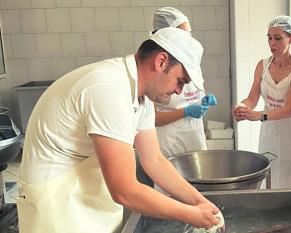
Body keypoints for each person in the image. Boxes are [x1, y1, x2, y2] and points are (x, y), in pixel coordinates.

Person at [17, 28, 222, 232]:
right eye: (180, 80)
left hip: (82, 186)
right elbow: (124, 190)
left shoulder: (142, 99)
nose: (179, 90)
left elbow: (154, 161)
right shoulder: (108, 89)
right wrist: (190, 214)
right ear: (161, 61)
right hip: (53, 193)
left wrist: (200, 202)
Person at [233, 15, 291, 189]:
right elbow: (253, 97)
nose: (272, 43)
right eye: (269, 38)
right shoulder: (263, 65)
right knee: (270, 172)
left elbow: (288, 109)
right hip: (270, 130)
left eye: (277, 38)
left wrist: (256, 115)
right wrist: (242, 107)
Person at [152, 8, 217, 158]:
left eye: (190, 34)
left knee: (200, 177)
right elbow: (152, 118)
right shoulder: (157, 67)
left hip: (195, 135)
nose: (189, 40)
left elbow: (193, 93)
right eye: (183, 35)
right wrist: (185, 112)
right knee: (171, 178)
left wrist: (203, 101)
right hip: (170, 140)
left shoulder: (191, 60)